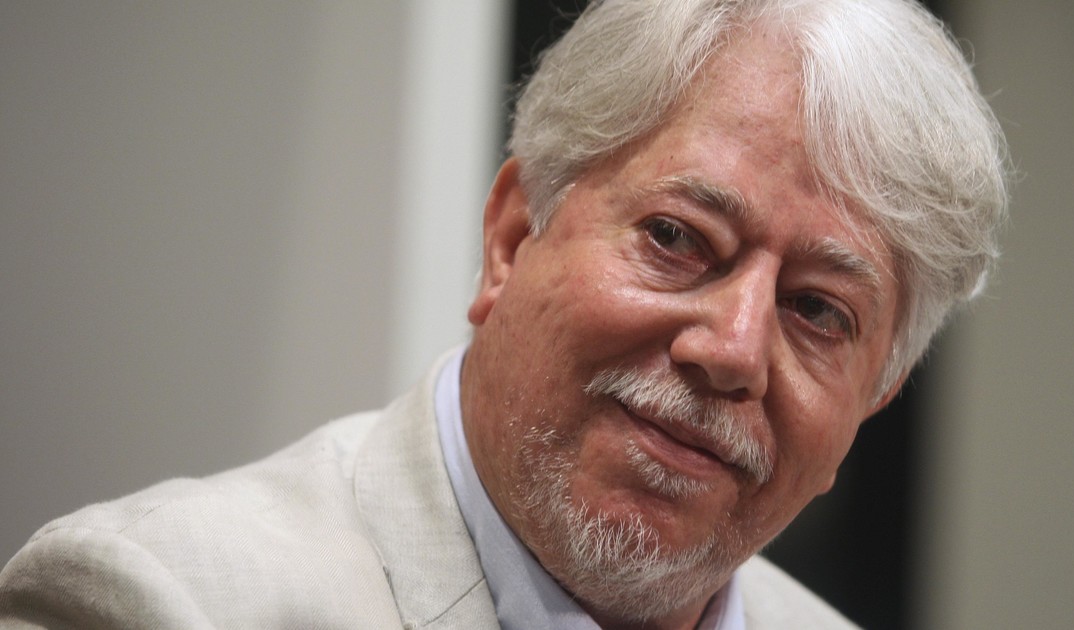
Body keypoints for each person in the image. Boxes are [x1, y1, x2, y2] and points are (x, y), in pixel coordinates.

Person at [0, 0, 1007, 627]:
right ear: (514, 235)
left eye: (820, 310)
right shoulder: (159, 601)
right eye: (676, 238)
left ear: (872, 401)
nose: (733, 350)